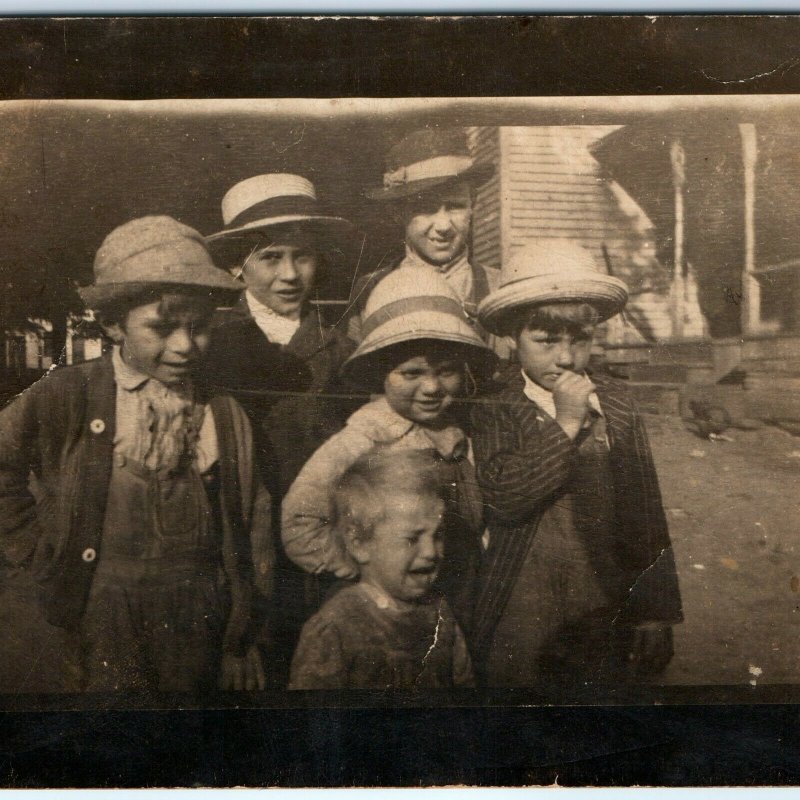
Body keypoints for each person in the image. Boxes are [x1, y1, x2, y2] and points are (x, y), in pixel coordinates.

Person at [0, 216, 272, 693]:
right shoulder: (69, 393)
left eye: (199, 328)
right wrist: (31, 545)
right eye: (162, 328)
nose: (185, 346)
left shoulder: (225, 415)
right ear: (112, 323)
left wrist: (241, 635)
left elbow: (254, 523)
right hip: (99, 612)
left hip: (198, 615)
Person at [470, 238, 683, 689]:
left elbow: (644, 514)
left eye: (579, 340)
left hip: (601, 594)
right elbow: (506, 496)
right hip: (520, 599)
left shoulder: (617, 404)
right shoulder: (494, 405)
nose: (564, 358)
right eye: (545, 341)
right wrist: (566, 422)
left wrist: (655, 611)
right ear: (511, 336)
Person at [203, 174, 361, 671]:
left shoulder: (342, 348)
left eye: (302, 256)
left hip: (321, 538)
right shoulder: (212, 345)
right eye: (271, 258)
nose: (290, 274)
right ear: (237, 267)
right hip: (239, 539)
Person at [282, 266, 497, 631]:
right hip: (386, 611)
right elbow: (299, 519)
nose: (431, 388)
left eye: (445, 372)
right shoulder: (364, 438)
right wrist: (358, 568)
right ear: (381, 373)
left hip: (461, 598)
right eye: (411, 374)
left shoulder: (461, 436)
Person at [288, 449, 474, 690]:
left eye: (437, 535)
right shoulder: (336, 626)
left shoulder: (439, 612)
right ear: (360, 545)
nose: (430, 552)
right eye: (412, 538)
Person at [352, 126, 506, 354]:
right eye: (427, 209)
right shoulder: (371, 289)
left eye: (455, 206)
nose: (443, 226)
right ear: (399, 213)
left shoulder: (500, 288)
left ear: (473, 205)